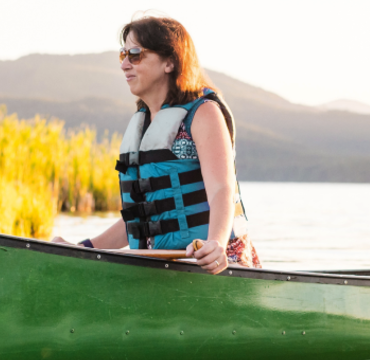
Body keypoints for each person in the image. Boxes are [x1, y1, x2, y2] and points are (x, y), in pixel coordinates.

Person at [53, 16, 259, 274]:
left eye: (136, 54)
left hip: (211, 266)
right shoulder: (144, 125)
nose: (125, 65)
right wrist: (80, 249)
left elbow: (221, 191)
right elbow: (140, 220)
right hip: (156, 268)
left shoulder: (203, 113)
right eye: (122, 55)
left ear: (170, 62)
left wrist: (215, 243)